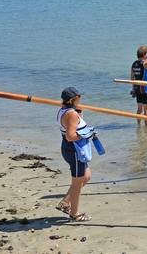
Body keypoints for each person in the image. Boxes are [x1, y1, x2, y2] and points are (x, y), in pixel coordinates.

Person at [56, 87, 92, 222]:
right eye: (78, 97)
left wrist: (80, 118)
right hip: (74, 150)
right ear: (73, 99)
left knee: (86, 176)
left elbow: (73, 127)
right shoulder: (70, 114)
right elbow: (71, 136)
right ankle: (74, 214)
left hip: (70, 149)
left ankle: (65, 203)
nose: (80, 99)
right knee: (77, 184)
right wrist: (88, 134)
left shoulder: (64, 110)